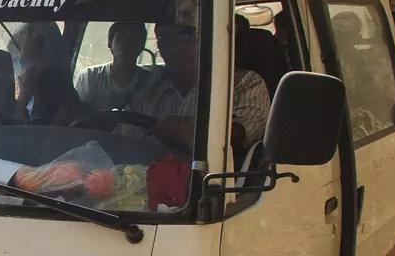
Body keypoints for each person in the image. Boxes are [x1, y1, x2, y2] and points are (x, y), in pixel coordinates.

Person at [126, 22, 271, 158]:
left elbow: (238, 136)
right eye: (165, 39)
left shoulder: (244, 83)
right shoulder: (153, 87)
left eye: (184, 36)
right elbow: (126, 130)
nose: (176, 47)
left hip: (210, 179)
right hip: (145, 174)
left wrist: (189, 130)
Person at [75, 20, 155, 111]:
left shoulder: (150, 83)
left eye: (132, 38)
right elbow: (77, 114)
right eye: (120, 37)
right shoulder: (90, 76)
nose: (125, 43)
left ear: (142, 46)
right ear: (110, 42)